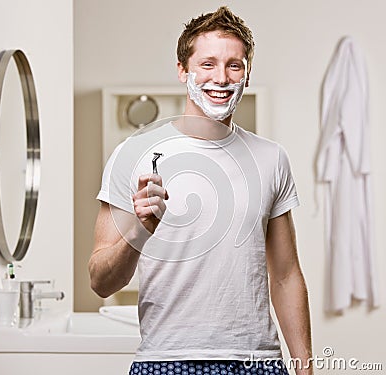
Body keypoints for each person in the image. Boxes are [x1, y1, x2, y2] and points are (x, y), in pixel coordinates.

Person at [89, 6, 313, 375]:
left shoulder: (271, 158)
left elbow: (286, 275)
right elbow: (100, 281)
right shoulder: (133, 155)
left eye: (234, 65)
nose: (221, 78)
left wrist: (305, 369)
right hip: (165, 360)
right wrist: (140, 230)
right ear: (183, 70)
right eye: (207, 64)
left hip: (257, 362)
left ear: (247, 74)